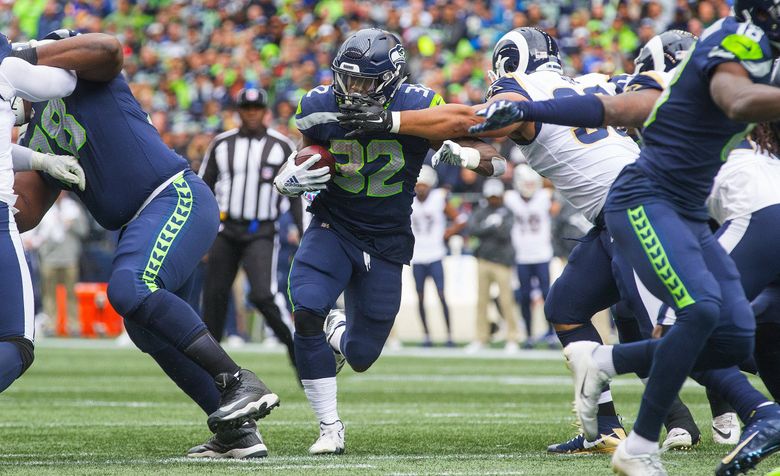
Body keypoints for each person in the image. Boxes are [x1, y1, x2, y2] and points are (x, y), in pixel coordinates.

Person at [338, 27, 699, 454]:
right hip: (618, 214)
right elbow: (496, 157)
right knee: (568, 308)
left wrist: (392, 120)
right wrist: (471, 155)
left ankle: (741, 408)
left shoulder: (518, 87)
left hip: (637, 211)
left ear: (508, 60)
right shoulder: (584, 82)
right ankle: (605, 428)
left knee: (681, 325)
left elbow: (476, 119)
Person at [473, 7, 780, 474]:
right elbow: (654, 103)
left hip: (676, 204)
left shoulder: (728, 60)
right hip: (646, 202)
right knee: (689, 318)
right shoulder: (728, 45)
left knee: (733, 328)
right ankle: (730, 418)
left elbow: (627, 104)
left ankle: (611, 372)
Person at [12, 31, 279, 459]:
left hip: (173, 196)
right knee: (148, 329)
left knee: (130, 286)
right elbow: (23, 211)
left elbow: (110, 48)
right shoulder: (34, 142)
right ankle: (237, 432)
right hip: (141, 224)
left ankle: (237, 379)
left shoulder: (80, 76)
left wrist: (24, 54)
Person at [274, 28, 506, 455]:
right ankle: (329, 428)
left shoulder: (416, 104)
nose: (351, 89)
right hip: (333, 225)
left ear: (390, 79)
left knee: (362, 355)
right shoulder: (319, 105)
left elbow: (496, 161)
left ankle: (339, 330)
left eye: (363, 81)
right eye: (347, 78)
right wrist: (290, 178)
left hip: (387, 239)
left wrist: (468, 156)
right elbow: (308, 154)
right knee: (306, 310)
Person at [0, 30, 93, 393]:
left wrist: (41, 159)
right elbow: (67, 80)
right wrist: (51, 46)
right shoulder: (8, 69)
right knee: (17, 343)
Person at [199, 87, 299, 368]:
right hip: (225, 229)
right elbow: (203, 188)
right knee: (215, 298)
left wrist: (303, 230)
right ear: (238, 111)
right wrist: (200, 235)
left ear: (265, 112)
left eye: (256, 109)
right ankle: (212, 369)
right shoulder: (221, 143)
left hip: (261, 230)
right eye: (246, 108)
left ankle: (296, 350)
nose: (252, 113)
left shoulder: (281, 145)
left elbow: (296, 194)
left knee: (262, 294)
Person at [410, 164, 464, 347]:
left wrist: (448, 233)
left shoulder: (439, 198)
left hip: (435, 254)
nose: (420, 188)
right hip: (417, 256)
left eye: (424, 185)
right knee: (420, 297)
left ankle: (449, 335)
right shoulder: (409, 200)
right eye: (418, 185)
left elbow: (460, 219)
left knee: (441, 295)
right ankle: (426, 336)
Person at [503, 164, 555, 348]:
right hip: (522, 255)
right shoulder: (510, 199)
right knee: (524, 296)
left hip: (542, 253)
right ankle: (529, 334)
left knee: (547, 294)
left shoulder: (545, 196)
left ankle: (551, 333)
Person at [467, 178, 518, 353]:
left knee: (506, 301)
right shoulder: (481, 211)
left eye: (497, 196)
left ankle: (512, 337)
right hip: (483, 259)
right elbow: (473, 229)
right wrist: (491, 226)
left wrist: (486, 228)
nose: (494, 199)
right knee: (481, 301)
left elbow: (505, 233)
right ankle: (481, 337)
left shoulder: (508, 211)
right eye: (491, 196)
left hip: (502, 261)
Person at [29, 192, 88, 333]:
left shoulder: (73, 208)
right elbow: (35, 231)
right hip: (49, 257)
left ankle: (73, 326)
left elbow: (84, 231)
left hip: (69, 258)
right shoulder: (45, 208)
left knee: (71, 293)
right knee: (48, 294)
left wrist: (72, 224)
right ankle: (50, 325)